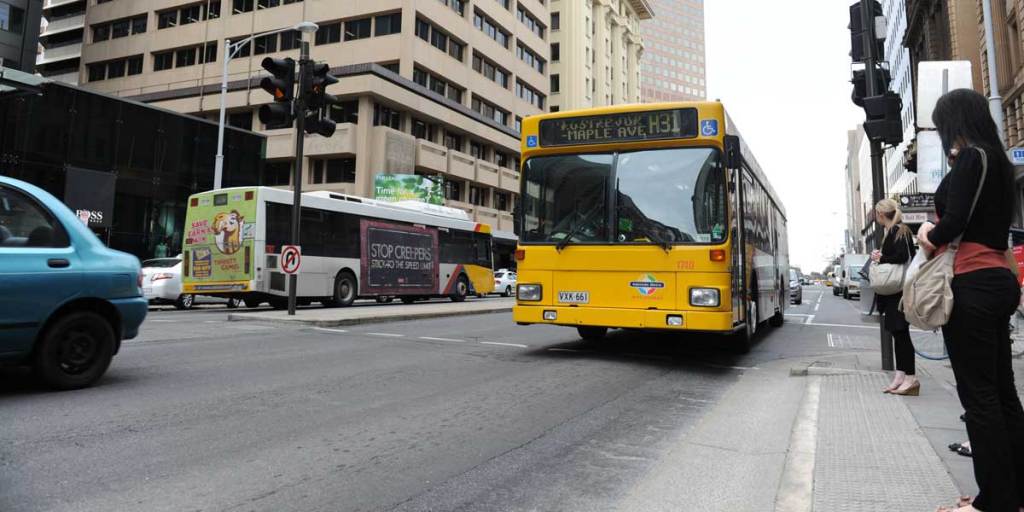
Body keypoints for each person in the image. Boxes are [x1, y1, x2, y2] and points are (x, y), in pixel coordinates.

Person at [918, 89, 1024, 512]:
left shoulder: (971, 159)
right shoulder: (997, 159)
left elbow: (954, 223)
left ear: (953, 122)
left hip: (972, 282)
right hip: (999, 280)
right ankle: (1014, 494)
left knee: (979, 399)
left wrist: (928, 235)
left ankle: (992, 502)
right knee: (1003, 394)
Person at [870, 198, 918, 395]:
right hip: (893, 293)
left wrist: (881, 257)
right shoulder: (892, 231)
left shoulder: (900, 231)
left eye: (876, 214)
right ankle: (901, 375)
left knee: (901, 334)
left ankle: (911, 378)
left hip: (898, 292)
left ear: (881, 215)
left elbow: (903, 257)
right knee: (898, 334)